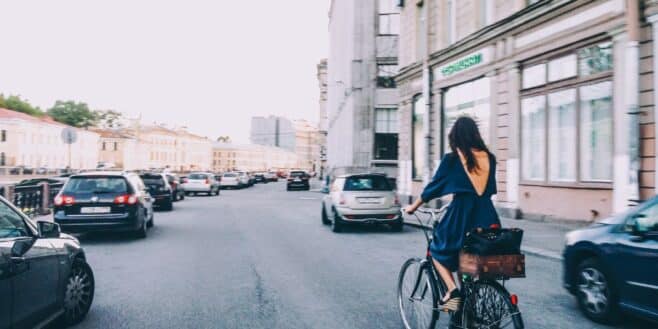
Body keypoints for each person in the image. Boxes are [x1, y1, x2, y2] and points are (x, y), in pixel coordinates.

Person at [404, 116, 500, 311]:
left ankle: (452, 291)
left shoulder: (452, 159)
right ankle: (465, 315)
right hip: (488, 215)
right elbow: (488, 189)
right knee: (468, 262)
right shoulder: (490, 158)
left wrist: (413, 207)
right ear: (475, 134)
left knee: (437, 251)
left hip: (462, 214)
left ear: (455, 136)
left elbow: (433, 188)